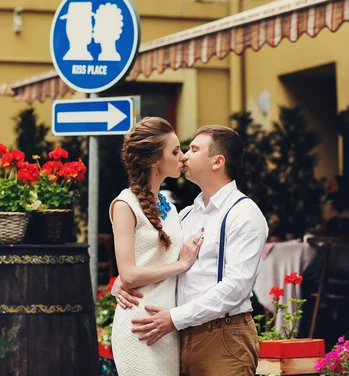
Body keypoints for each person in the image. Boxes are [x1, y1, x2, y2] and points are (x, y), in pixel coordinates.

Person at [113, 125, 268, 375]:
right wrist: (123, 280)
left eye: (193, 149)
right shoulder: (184, 215)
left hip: (223, 335)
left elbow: (237, 286)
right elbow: (159, 261)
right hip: (178, 337)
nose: (184, 156)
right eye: (181, 150)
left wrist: (174, 318)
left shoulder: (244, 214)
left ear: (217, 161)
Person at [109, 117, 205, 376]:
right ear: (154, 161)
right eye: (175, 152)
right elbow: (129, 274)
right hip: (138, 325)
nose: (183, 157)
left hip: (166, 328)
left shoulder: (171, 208)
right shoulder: (124, 205)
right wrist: (181, 264)